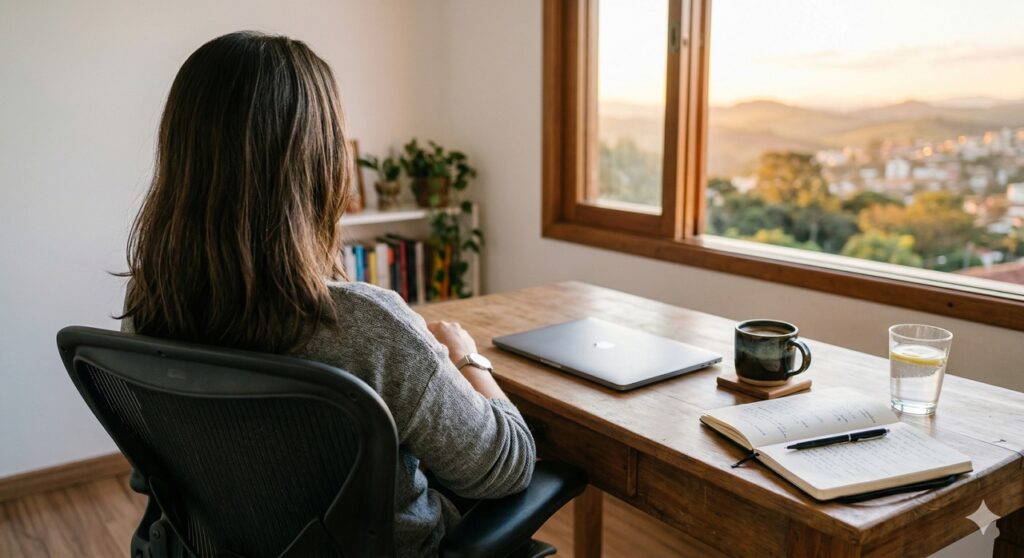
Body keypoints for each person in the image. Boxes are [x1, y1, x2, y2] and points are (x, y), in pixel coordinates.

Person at [117, 31, 535, 557]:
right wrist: (468, 357)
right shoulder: (368, 327)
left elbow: (153, 471)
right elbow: (506, 468)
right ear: (321, 163)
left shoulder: (148, 303)